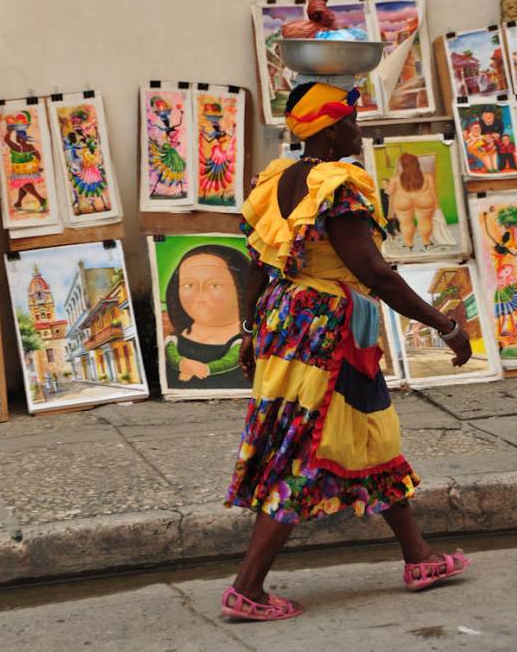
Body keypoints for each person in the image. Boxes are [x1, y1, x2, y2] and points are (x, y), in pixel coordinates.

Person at [222, 81, 472, 621]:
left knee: (367, 434)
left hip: (288, 322)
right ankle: (247, 587)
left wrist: (249, 330)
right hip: (327, 333)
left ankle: (419, 555)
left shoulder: (278, 180)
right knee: (306, 447)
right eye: (354, 121)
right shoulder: (339, 185)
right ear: (333, 129)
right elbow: (374, 272)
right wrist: (445, 327)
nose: (361, 130)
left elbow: (261, 264)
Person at [164, 244, 249, 388]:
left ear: (240, 287)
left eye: (215, 285)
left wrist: (201, 369)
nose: (199, 296)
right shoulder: (175, 339)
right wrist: (183, 364)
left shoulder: (242, 342)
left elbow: (229, 361)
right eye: (189, 285)